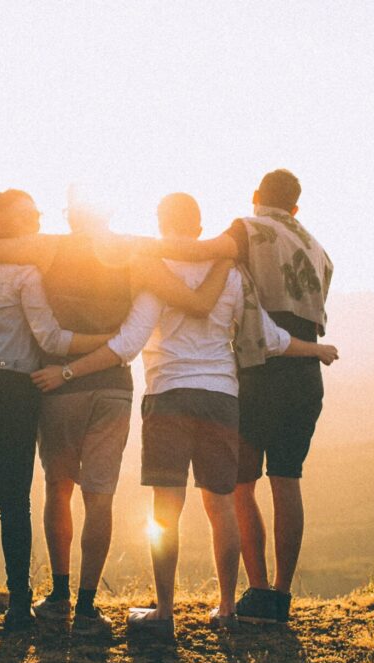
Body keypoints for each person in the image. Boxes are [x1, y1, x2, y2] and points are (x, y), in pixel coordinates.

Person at [31, 192, 338, 636]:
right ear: (199, 228)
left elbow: (128, 344)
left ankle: (165, 613)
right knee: (222, 507)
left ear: (161, 223)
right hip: (221, 399)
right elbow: (269, 338)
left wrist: (68, 371)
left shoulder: (155, 271)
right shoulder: (231, 274)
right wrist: (317, 349)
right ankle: (228, 608)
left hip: (169, 396)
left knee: (165, 510)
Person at [0, 188, 232, 636]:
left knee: (58, 488)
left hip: (58, 385)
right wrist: (225, 253)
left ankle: (59, 595)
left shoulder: (49, 247)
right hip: (113, 386)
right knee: (99, 496)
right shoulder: (132, 250)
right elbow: (188, 284)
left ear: (71, 216)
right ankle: (88, 608)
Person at [138, 170, 334, 624]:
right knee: (287, 480)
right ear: (296, 207)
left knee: (238, 487)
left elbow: (201, 252)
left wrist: (135, 247)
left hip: (259, 370)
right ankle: (279, 598)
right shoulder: (319, 249)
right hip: (304, 372)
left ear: (255, 197)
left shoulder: (248, 229)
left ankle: (256, 592)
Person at [0, 189, 113, 631]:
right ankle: (19, 606)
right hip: (11, 392)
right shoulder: (25, 273)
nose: (37, 220)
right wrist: (107, 341)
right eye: (29, 215)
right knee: (13, 502)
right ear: (9, 224)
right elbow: (52, 340)